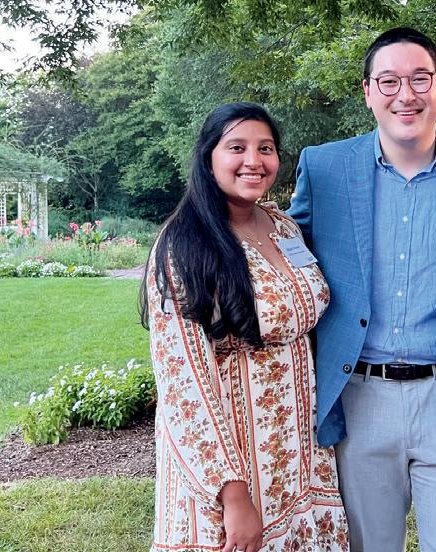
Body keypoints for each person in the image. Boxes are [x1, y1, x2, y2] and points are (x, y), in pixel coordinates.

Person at [288, 27, 436, 552]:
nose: (405, 95)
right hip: (359, 398)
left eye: (419, 79)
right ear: (368, 92)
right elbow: (282, 254)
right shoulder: (323, 168)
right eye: (388, 81)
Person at [140, 102, 348, 552]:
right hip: (234, 461)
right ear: (208, 156)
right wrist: (231, 494)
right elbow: (183, 381)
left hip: (297, 454)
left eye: (265, 148)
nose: (253, 161)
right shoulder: (185, 246)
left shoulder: (283, 226)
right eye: (237, 147)